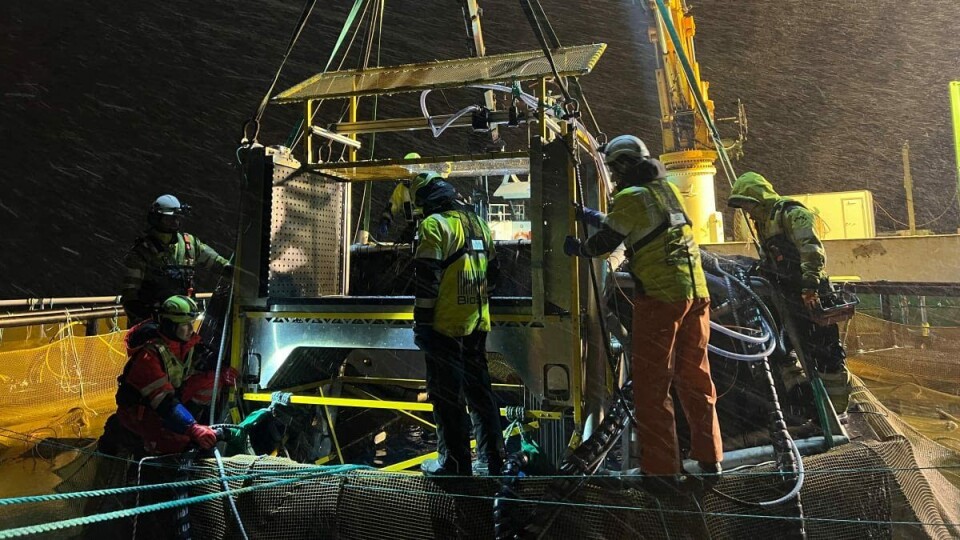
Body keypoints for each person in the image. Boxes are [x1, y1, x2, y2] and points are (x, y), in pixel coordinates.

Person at [563, 135, 723, 484]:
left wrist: (576, 246)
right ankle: (710, 458)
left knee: (652, 387)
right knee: (696, 378)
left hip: (662, 298)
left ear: (621, 165)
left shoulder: (630, 197)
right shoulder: (667, 192)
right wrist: (589, 215)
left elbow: (604, 243)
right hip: (696, 294)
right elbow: (639, 222)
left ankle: (663, 472)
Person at [727, 172, 850, 413]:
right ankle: (805, 403)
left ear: (759, 199)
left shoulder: (792, 214)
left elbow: (811, 252)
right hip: (787, 296)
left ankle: (835, 411)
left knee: (825, 353)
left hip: (809, 296)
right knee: (787, 350)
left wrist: (810, 288)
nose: (748, 212)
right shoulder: (764, 222)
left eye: (748, 204)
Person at [410, 171, 505, 476]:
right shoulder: (477, 223)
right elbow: (494, 277)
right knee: (480, 394)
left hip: (445, 327)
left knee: (447, 397)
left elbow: (427, 282)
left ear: (426, 199)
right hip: (477, 324)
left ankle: (453, 463)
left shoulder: (434, 226)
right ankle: (493, 460)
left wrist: (422, 325)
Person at [98, 295, 234, 458]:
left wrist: (225, 372)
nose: (191, 329)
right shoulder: (149, 357)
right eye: (185, 325)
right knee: (169, 451)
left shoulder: (184, 345)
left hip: (162, 410)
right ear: (170, 326)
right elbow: (164, 402)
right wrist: (192, 428)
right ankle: (159, 450)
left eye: (192, 324)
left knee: (211, 379)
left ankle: (181, 428)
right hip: (139, 418)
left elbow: (206, 360)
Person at [120, 194, 231, 325]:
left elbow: (220, 265)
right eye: (168, 219)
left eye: (176, 218)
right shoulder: (143, 252)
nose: (174, 223)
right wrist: (148, 322)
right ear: (156, 219)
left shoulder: (190, 244)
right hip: (155, 326)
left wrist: (245, 276)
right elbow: (130, 296)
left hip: (185, 325)